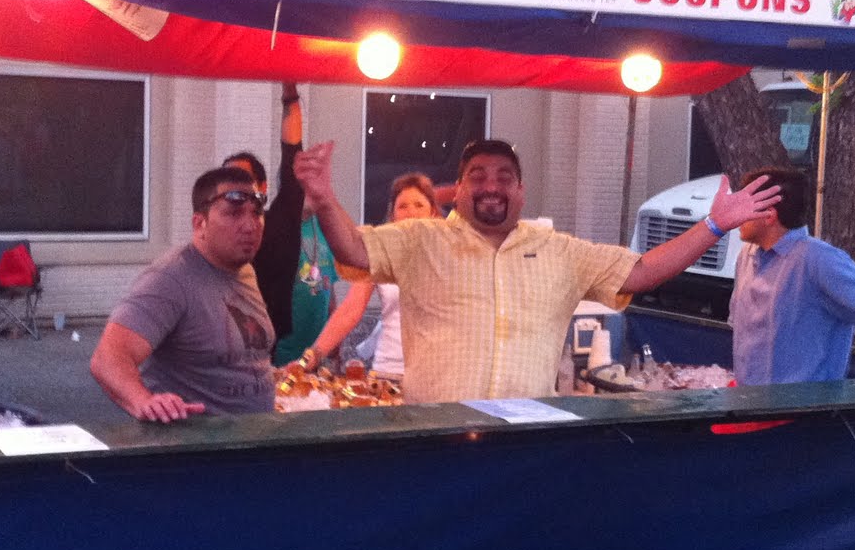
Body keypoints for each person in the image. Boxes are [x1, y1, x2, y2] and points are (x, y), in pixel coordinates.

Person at [293, 137, 780, 404]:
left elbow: (642, 271)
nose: (492, 186)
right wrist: (323, 197)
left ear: (521, 192)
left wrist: (715, 225)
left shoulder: (558, 250)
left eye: (504, 178)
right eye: (478, 176)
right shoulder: (421, 239)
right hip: (432, 435)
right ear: (457, 191)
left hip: (523, 441)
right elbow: (354, 249)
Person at [90, 166, 276, 421]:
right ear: (200, 223)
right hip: (198, 450)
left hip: (255, 444)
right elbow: (108, 358)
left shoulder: (244, 271)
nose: (250, 225)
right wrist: (144, 402)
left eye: (256, 214)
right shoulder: (171, 278)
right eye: (233, 213)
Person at [729, 167, 855, 384]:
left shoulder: (819, 259)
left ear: (769, 215)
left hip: (802, 413)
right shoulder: (746, 256)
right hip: (746, 405)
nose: (736, 216)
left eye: (744, 208)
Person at [296, 172, 440, 377]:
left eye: (419, 205)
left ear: (433, 212)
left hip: (436, 375)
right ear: (393, 215)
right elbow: (351, 309)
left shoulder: (447, 253)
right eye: (403, 206)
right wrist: (314, 354)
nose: (411, 213)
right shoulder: (381, 252)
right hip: (388, 373)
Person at [224, 82, 304, 355]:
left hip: (270, 340)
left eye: (242, 179)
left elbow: (292, 154)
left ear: (263, 186)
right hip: (222, 337)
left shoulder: (282, 220)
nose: (233, 187)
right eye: (226, 181)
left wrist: (290, 95)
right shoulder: (215, 228)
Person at [270, 194, 340, 367]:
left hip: (320, 350)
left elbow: (329, 289)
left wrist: (337, 341)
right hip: (283, 353)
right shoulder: (274, 228)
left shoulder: (324, 227)